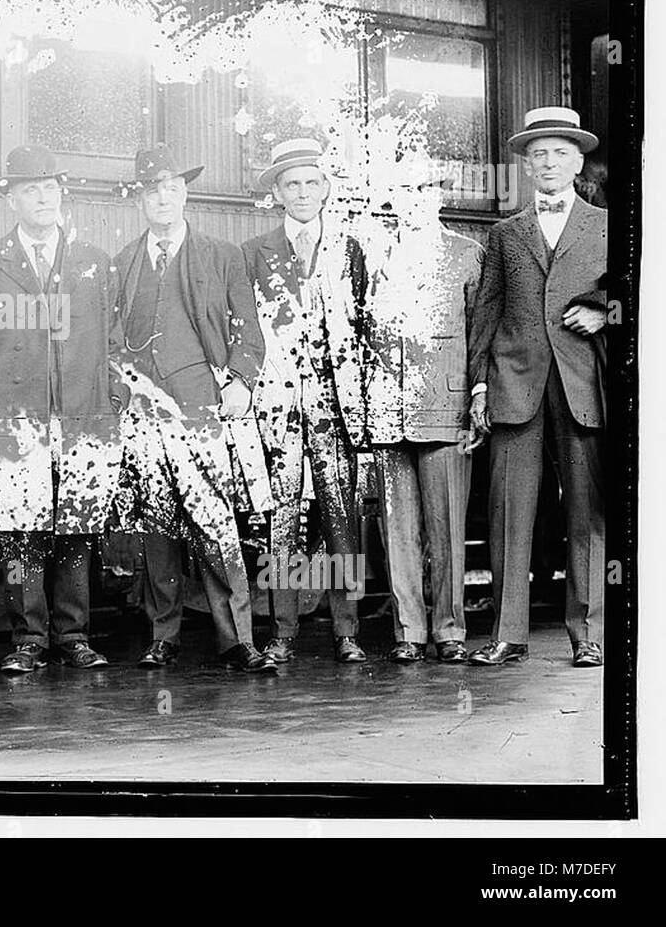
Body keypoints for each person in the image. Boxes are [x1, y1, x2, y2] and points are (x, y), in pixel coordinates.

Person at [0, 145, 125, 674]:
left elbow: (115, 341)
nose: (43, 197)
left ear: (61, 194)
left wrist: (112, 396)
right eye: (30, 189)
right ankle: (28, 637)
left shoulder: (93, 263)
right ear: (12, 200)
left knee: (74, 527)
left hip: (80, 415)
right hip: (14, 419)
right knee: (21, 533)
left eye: (50, 187)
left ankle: (73, 634)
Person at [112, 146, 274, 673]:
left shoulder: (221, 255)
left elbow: (249, 333)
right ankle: (164, 635)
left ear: (185, 194)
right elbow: (113, 341)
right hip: (144, 410)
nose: (163, 196)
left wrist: (241, 382)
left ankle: (237, 639)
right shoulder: (123, 262)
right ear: (140, 197)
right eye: (153, 188)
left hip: (203, 405)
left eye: (173, 187)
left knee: (214, 523)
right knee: (157, 524)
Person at [467, 106, 608, 669]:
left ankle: (589, 633)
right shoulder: (504, 234)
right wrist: (478, 386)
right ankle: (509, 635)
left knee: (586, 512)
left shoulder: (609, 225)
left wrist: (603, 312)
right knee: (509, 511)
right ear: (527, 166)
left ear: (578, 162)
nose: (549, 162)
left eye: (560, 152)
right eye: (539, 154)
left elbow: (643, 292)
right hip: (513, 383)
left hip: (581, 384)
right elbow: (487, 312)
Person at [241, 138, 369, 665]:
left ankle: (346, 630)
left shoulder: (350, 250)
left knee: (343, 520)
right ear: (276, 192)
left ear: (325, 189)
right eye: (291, 183)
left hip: (336, 408)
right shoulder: (253, 253)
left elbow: (365, 327)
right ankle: (284, 631)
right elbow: (245, 329)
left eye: (311, 183)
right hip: (278, 408)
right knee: (283, 522)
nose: (302, 192)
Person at [366, 164, 483, 664]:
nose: (415, 199)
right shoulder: (374, 258)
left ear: (440, 195)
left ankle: (450, 630)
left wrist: (478, 397)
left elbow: (481, 335)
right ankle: (409, 631)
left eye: (424, 190)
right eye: (405, 191)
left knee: (447, 528)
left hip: (447, 409)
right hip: (389, 414)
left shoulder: (467, 255)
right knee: (399, 531)